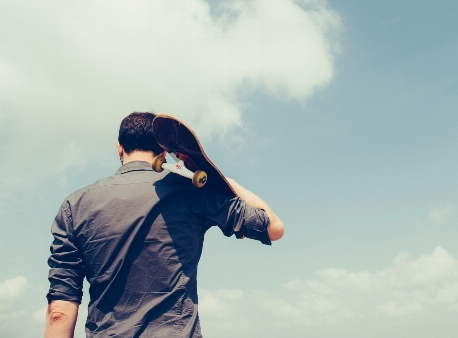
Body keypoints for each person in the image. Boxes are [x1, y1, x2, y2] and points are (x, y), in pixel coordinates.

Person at [44, 112, 284, 338]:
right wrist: (224, 181)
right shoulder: (192, 191)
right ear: (163, 150)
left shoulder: (74, 206)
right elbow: (273, 227)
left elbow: (59, 312)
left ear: (119, 147)